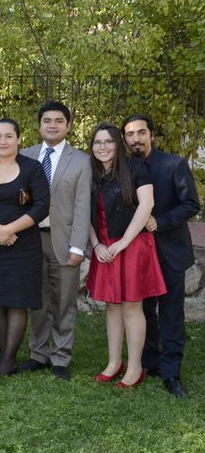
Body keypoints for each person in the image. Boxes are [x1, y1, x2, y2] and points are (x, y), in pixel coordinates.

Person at [122, 114, 200, 398]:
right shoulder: (122, 168)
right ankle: (149, 360)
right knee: (142, 310)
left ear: (151, 135)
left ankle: (171, 373)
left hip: (169, 250)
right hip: (136, 252)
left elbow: (191, 204)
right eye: (130, 134)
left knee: (170, 311)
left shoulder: (174, 164)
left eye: (141, 133)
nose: (135, 139)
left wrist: (160, 221)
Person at [86, 123, 166, 388]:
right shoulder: (92, 172)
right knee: (111, 306)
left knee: (132, 307)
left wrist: (123, 244)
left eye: (108, 141)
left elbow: (147, 205)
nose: (103, 147)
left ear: (118, 143)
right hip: (105, 247)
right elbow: (84, 213)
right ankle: (113, 363)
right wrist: (96, 245)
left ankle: (134, 368)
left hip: (132, 245)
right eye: (97, 142)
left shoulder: (135, 167)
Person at [0, 119, 50, 378]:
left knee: (17, 303)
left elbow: (41, 207)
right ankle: (5, 357)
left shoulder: (32, 168)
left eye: (8, 136)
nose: (2, 141)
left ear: (18, 139)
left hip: (23, 245)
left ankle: (7, 360)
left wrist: (10, 229)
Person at [21, 101, 91, 380]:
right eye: (47, 120)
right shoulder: (24, 155)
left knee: (64, 301)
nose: (52, 125)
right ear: (39, 125)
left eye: (58, 120)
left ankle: (61, 357)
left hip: (64, 241)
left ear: (68, 126)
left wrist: (78, 246)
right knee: (37, 300)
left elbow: (83, 205)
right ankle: (38, 353)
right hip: (30, 240)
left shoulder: (82, 160)